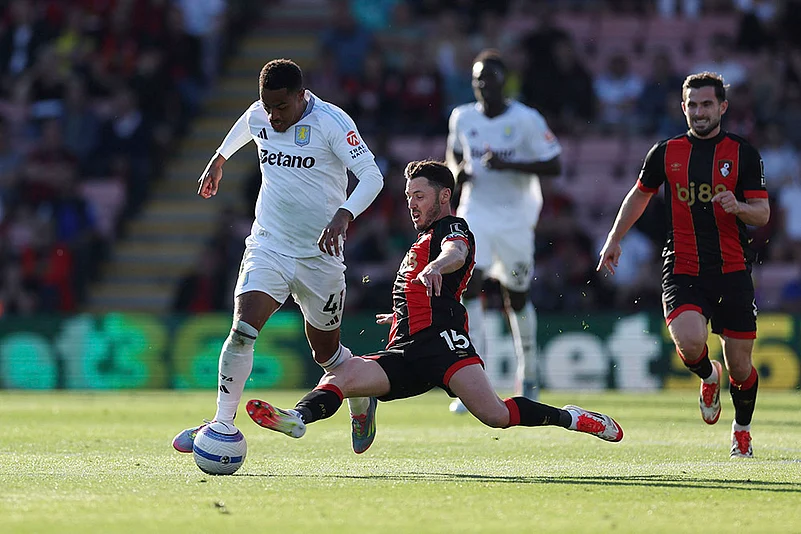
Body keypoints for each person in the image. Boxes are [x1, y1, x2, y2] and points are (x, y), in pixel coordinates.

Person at [244, 160, 624, 450]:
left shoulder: (451, 227)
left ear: (444, 196)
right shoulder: (418, 240)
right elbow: (423, 287)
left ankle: (570, 417)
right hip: (406, 349)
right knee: (341, 376)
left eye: (419, 196)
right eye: (408, 196)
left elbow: (455, 254)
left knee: (496, 415)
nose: (411, 204)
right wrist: (402, 313)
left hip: (444, 344)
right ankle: (297, 417)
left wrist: (436, 267)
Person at [172, 58, 385, 455]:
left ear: (302, 97)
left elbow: (373, 176)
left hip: (319, 256)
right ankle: (221, 423)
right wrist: (220, 158)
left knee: (328, 355)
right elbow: (248, 123)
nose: (273, 116)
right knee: (242, 329)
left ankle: (360, 395)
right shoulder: (261, 115)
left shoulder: (331, 123)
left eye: (281, 108)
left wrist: (344, 214)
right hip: (269, 244)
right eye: (267, 107)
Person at [597, 72, 770, 458]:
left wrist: (739, 207)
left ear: (722, 107)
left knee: (741, 367)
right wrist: (614, 238)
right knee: (690, 342)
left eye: (707, 104)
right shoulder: (665, 152)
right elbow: (639, 196)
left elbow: (762, 213)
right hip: (683, 265)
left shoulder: (743, 153)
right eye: (692, 105)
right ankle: (708, 375)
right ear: (683, 108)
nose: (699, 111)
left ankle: (741, 429)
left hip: (733, 270)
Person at [445, 49, 562, 411]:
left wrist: (512, 164)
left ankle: (528, 374)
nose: (484, 85)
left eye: (490, 79)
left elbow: (554, 164)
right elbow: (453, 155)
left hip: (515, 218)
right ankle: (475, 382)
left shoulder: (526, 119)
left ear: (504, 81)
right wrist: (457, 172)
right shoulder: (462, 116)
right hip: (475, 211)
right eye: (478, 79)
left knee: (518, 296)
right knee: (469, 286)